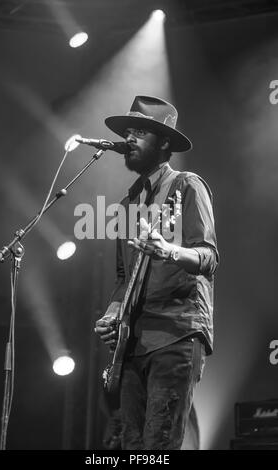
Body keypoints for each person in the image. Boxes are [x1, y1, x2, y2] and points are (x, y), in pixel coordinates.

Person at [95, 95, 219, 450]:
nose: (129, 139)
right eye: (128, 132)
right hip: (132, 344)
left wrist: (168, 250)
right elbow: (124, 277)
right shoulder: (127, 203)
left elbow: (208, 257)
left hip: (176, 334)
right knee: (132, 447)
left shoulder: (187, 186)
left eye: (140, 133)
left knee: (159, 446)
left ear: (164, 142)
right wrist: (111, 314)